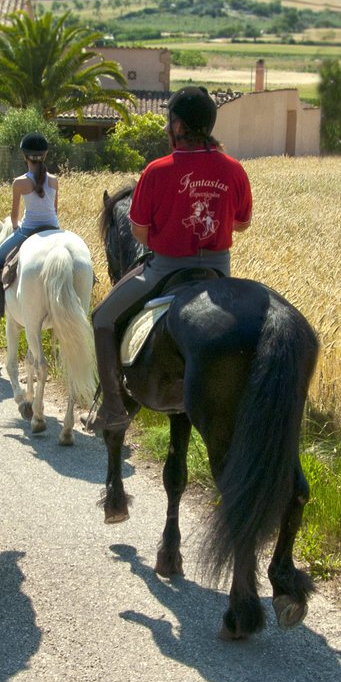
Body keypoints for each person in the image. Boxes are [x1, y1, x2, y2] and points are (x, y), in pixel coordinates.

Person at [91, 86, 251, 433]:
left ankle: (115, 407)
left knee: (102, 318)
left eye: (170, 121)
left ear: (178, 125)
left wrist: (171, 240)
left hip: (164, 268)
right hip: (219, 270)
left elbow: (139, 232)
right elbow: (241, 224)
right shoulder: (234, 169)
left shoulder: (157, 170)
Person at [0, 132, 61, 320]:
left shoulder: (19, 182)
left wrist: (16, 227)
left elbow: (14, 214)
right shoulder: (54, 179)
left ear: (23, 156)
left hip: (28, 230)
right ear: (45, 155)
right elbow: (55, 209)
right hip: (54, 228)